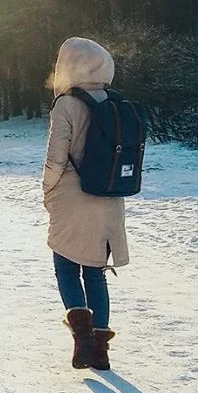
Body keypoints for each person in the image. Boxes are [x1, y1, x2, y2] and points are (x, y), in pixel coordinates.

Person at [42, 36, 128, 370]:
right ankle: (101, 351)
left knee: (65, 265)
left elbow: (55, 159)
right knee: (96, 273)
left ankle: (81, 340)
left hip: (71, 198)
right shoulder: (115, 102)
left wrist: (48, 192)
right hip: (108, 197)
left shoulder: (67, 104)